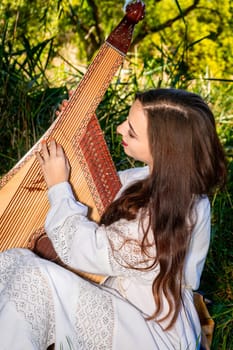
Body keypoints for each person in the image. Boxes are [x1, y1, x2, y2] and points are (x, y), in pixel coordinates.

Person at [0, 88, 227, 349]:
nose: (120, 129)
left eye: (132, 131)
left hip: (148, 330)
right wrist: (79, 137)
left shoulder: (168, 216)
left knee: (34, 279)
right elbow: (102, 192)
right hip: (126, 302)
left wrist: (58, 188)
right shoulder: (168, 180)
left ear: (164, 150)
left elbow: (84, 249)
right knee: (14, 260)